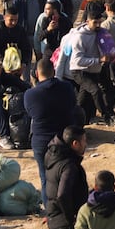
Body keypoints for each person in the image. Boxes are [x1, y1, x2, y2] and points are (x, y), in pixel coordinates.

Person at [23, 57, 79, 206]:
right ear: (53, 71)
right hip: (65, 139)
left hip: (42, 143)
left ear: (36, 73)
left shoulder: (30, 94)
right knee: (67, 176)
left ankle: (51, 212)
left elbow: (31, 114)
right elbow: (73, 106)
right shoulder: (67, 88)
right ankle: (70, 207)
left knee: (45, 179)